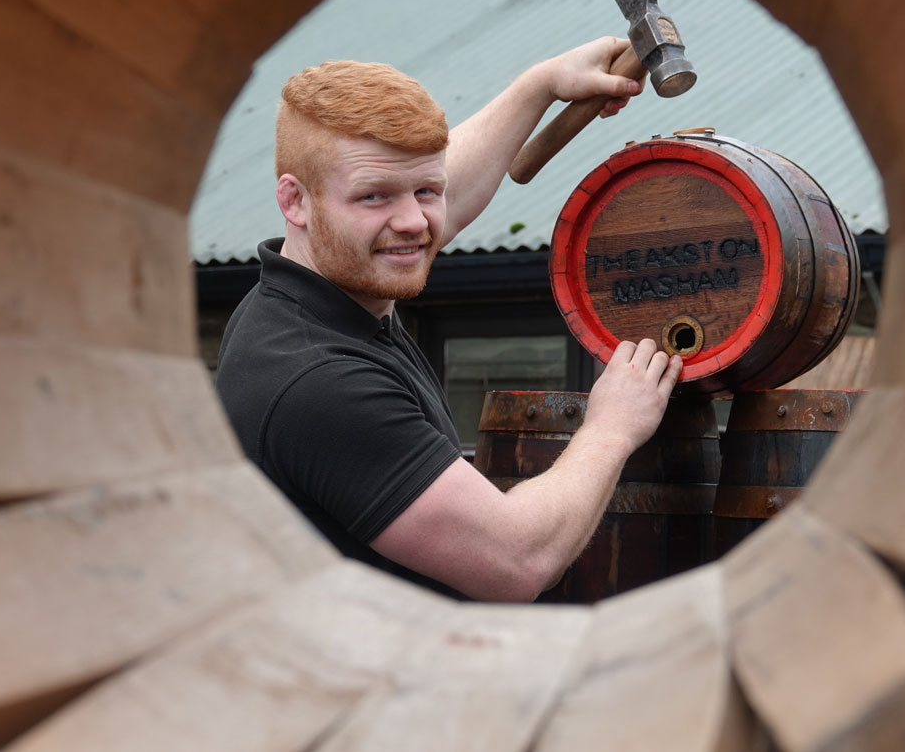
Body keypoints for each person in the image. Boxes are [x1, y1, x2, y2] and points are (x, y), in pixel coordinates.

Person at [215, 37, 682, 602]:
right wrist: (612, 427)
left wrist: (540, 85)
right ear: (295, 202)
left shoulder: (315, 290)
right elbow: (515, 559)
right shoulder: (317, 382)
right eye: (374, 197)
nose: (414, 222)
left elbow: (436, 187)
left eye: (425, 191)